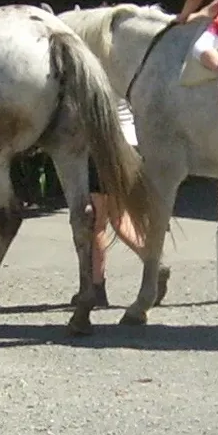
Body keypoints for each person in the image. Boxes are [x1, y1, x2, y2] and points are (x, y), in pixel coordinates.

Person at [74, 98, 171, 310]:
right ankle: (153, 261)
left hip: (104, 148)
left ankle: (97, 286)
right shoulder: (125, 74)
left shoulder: (98, 77)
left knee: (97, 223)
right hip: (132, 146)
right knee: (118, 217)